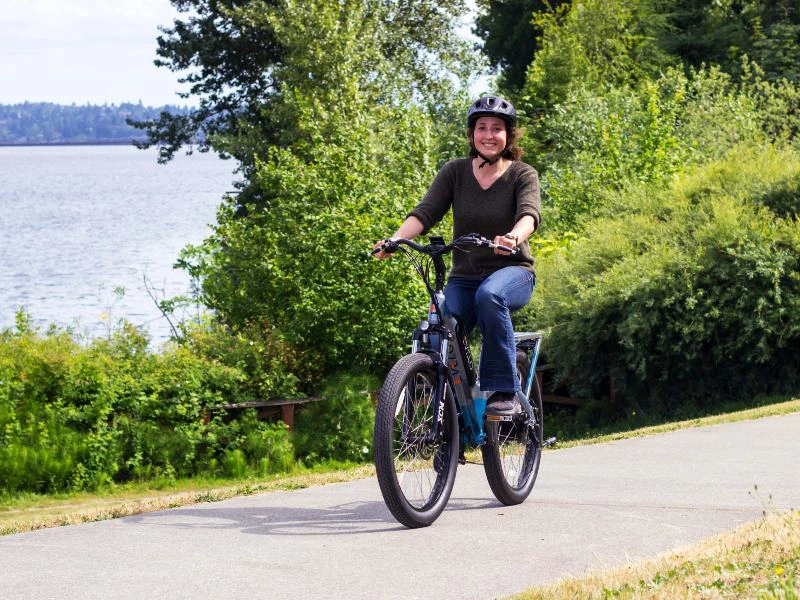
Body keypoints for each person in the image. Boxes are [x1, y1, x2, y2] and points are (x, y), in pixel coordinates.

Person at [373, 95, 540, 416]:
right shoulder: (455, 172)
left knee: (491, 295)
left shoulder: (522, 174)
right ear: (471, 134)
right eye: (481, 127)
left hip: (513, 271)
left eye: (496, 128)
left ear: (508, 135)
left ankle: (504, 389)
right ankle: (447, 411)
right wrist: (395, 239)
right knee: (442, 320)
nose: (488, 135)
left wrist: (513, 237)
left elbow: (529, 215)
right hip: (465, 277)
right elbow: (425, 213)